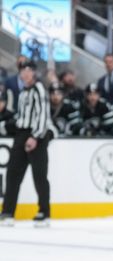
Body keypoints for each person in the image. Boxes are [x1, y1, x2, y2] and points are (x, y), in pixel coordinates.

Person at [0, 61, 52, 227]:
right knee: (13, 174)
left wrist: (35, 136)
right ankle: (8, 212)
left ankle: (44, 212)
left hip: (36, 135)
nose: (25, 74)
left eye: (28, 70)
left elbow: (43, 115)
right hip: (21, 134)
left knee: (39, 175)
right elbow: (22, 116)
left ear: (34, 73)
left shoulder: (39, 89)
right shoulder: (23, 92)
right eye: (23, 71)